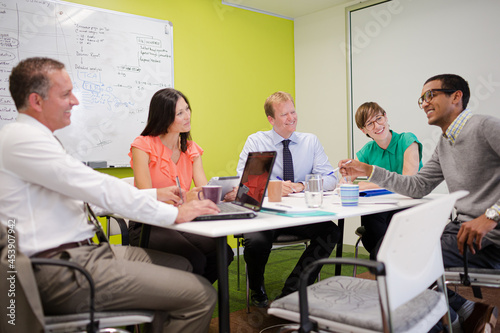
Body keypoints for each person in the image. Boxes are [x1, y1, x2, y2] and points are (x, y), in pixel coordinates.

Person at [0, 57, 221, 333]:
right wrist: (175, 212)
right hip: (59, 267)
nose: (75, 101)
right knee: (201, 295)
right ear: (36, 101)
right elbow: (98, 188)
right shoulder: (23, 139)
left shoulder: (38, 138)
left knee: (184, 266)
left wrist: (159, 198)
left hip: (84, 252)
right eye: (66, 94)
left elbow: (90, 197)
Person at [339, 74, 500, 332]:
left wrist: (491, 215)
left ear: (456, 96)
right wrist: (368, 169)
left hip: (490, 239)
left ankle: (452, 320)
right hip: (460, 230)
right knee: (385, 252)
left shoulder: (483, 126)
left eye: (431, 95)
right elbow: (416, 186)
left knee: (398, 262)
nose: (424, 103)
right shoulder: (445, 143)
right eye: (421, 99)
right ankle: (464, 313)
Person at [230, 91, 340, 307]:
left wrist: (301, 185)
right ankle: (257, 288)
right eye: (284, 115)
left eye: (293, 112)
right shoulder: (257, 141)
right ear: (271, 119)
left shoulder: (310, 142)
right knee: (256, 241)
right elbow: (244, 186)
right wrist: (275, 187)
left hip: (300, 216)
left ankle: (292, 291)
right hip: (266, 217)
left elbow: (330, 179)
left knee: (331, 231)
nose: (292, 118)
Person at [128, 88, 233, 284]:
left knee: (223, 253)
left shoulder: (191, 148)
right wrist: (184, 199)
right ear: (164, 117)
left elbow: (203, 189)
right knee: (195, 259)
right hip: (149, 223)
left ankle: (193, 299)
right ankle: (184, 302)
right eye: (180, 113)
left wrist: (224, 193)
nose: (187, 116)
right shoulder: (142, 145)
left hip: (181, 220)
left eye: (187, 109)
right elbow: (145, 196)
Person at [351, 102, 423, 256]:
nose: (377, 126)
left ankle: (385, 265)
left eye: (378, 118)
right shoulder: (367, 151)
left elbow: (408, 181)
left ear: (385, 116)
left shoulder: (407, 140)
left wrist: (369, 184)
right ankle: (387, 266)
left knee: (381, 236)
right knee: (371, 217)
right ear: (364, 130)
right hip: (380, 212)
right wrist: (345, 176)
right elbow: (345, 180)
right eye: (370, 123)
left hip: (409, 206)